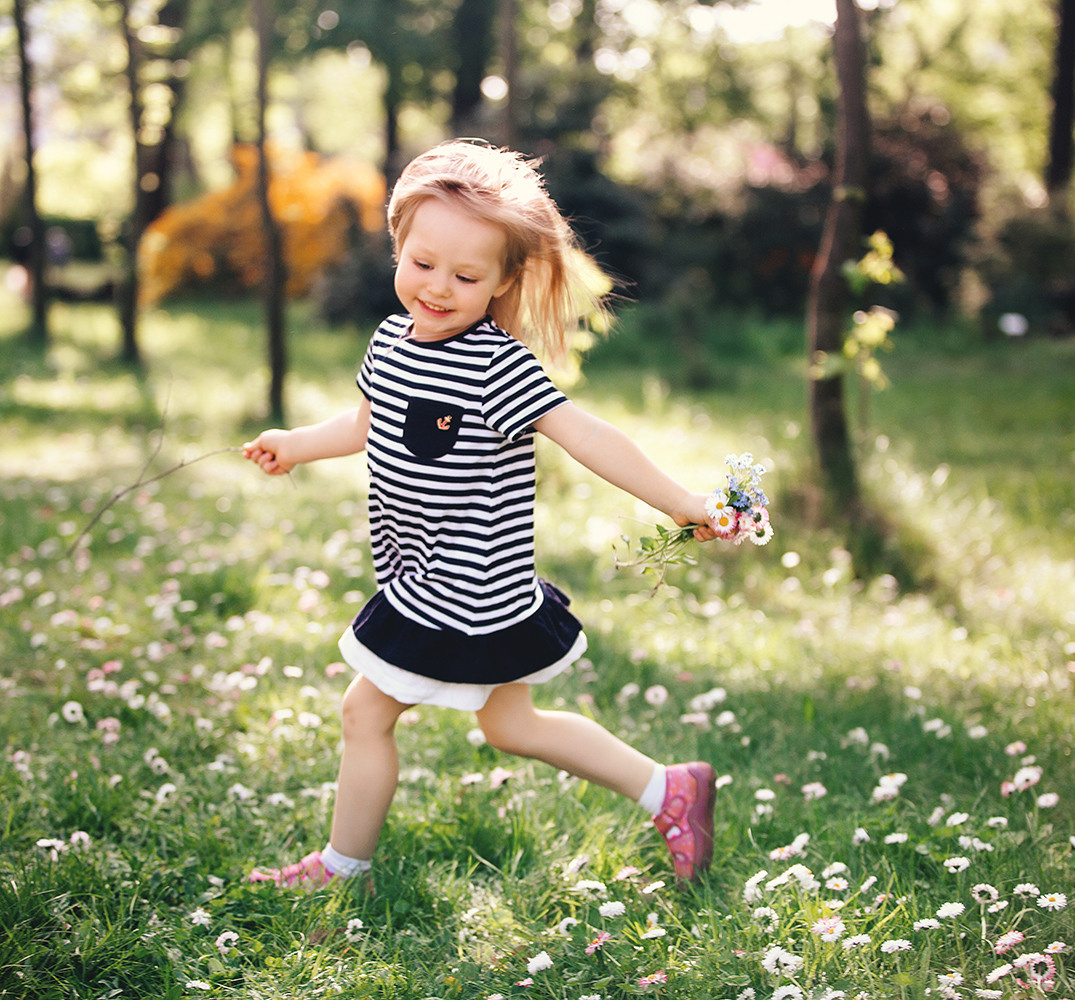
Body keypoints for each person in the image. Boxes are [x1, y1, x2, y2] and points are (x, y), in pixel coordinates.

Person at [241, 140, 720, 889]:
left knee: (364, 714)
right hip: (428, 573)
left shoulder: (497, 364)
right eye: (422, 263)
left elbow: (586, 434)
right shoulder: (392, 340)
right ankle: (672, 790)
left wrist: (685, 503)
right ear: (398, 244)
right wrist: (296, 445)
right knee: (511, 726)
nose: (437, 287)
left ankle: (341, 867)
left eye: (465, 276)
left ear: (502, 279)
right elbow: (369, 422)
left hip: (463, 589)